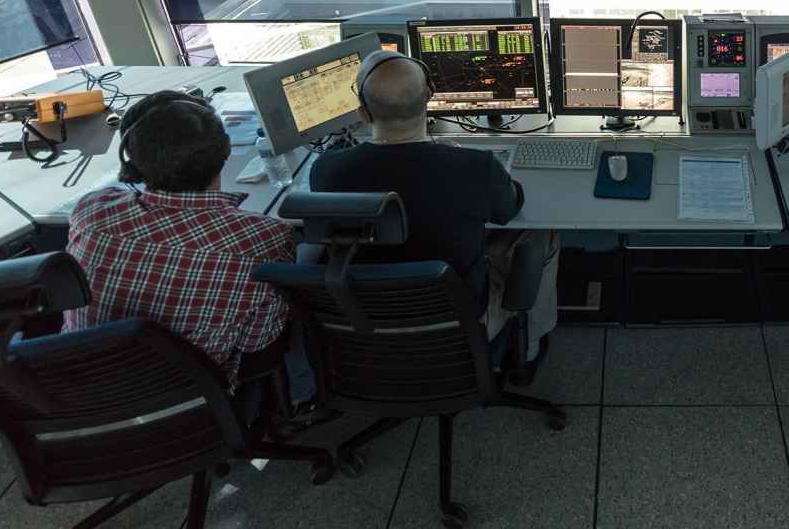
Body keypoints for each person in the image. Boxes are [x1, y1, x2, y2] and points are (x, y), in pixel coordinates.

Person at [309, 50, 556, 363]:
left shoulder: (327, 170)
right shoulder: (472, 167)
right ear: (428, 97)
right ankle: (529, 350)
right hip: (461, 322)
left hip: (367, 321)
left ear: (363, 113)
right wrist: (463, 160)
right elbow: (508, 210)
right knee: (544, 235)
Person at [65, 90, 301, 395]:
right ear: (226, 149)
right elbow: (258, 343)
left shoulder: (92, 210)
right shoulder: (263, 237)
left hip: (78, 392)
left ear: (131, 158)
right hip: (197, 403)